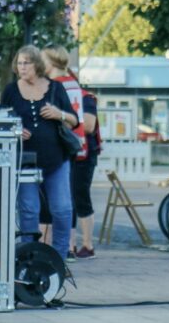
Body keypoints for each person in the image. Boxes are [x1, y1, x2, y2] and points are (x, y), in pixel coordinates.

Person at [1, 45, 78, 260]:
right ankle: (29, 258)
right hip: (25, 161)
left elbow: (74, 121)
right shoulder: (11, 90)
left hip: (56, 159)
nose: (22, 67)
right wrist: (15, 130)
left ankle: (60, 258)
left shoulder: (55, 88)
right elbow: (2, 120)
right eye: (19, 62)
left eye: (27, 62)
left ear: (37, 65)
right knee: (29, 211)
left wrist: (58, 114)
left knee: (62, 209)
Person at [41, 45, 86, 261]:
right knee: (68, 198)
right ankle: (70, 244)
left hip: (60, 142)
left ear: (50, 61)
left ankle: (50, 245)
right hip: (76, 141)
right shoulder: (73, 83)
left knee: (55, 199)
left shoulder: (54, 85)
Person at [72, 88, 102, 259]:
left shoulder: (85, 99)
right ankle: (73, 245)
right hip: (74, 153)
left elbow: (89, 126)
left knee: (80, 196)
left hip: (84, 154)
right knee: (72, 198)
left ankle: (87, 244)